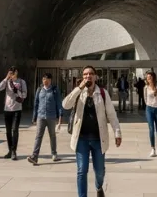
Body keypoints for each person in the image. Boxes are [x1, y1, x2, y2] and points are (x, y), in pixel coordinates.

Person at [62, 65, 122, 197]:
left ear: (95, 76)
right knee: (81, 170)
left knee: (99, 171)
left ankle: (99, 187)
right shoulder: (78, 92)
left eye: (90, 74)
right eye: (85, 74)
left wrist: (117, 132)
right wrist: (79, 88)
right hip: (81, 139)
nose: (87, 76)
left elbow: (111, 115)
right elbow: (65, 105)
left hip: (98, 139)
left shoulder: (102, 93)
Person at [28, 73, 62, 165]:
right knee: (38, 136)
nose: (45, 81)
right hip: (41, 116)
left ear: (51, 80)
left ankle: (54, 154)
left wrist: (60, 117)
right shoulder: (39, 90)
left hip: (51, 117)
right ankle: (34, 156)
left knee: (52, 136)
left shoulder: (54, 90)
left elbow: (59, 103)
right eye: (43, 79)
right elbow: (36, 104)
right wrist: (34, 117)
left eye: (47, 79)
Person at [0, 66, 27, 160]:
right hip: (7, 109)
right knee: (8, 131)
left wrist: (17, 91)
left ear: (16, 72)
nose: (11, 74)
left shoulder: (21, 82)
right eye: (10, 72)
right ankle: (10, 150)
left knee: (15, 130)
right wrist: (6, 78)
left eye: (13, 72)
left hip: (17, 109)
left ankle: (14, 151)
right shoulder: (7, 81)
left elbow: (24, 95)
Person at [144, 71, 157, 157]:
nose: (148, 79)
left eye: (150, 77)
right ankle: (153, 148)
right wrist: (149, 104)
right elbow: (145, 98)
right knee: (151, 129)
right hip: (149, 109)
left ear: (153, 78)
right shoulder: (146, 88)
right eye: (147, 78)